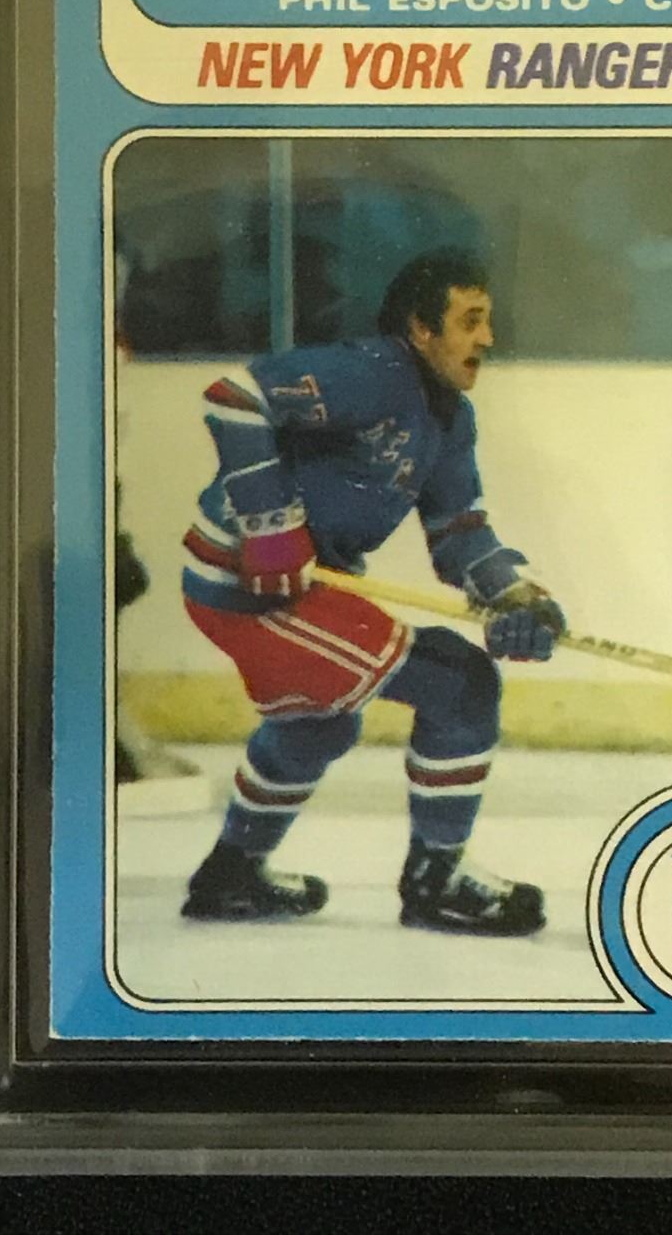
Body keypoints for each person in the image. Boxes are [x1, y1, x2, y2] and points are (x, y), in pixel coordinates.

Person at [179, 248, 566, 935]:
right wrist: (271, 525)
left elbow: (459, 534)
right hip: (248, 585)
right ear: (420, 328)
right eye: (470, 320)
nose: (487, 337)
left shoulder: (450, 420)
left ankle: (231, 873)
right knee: (460, 683)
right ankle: (437, 880)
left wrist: (514, 596)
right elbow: (235, 396)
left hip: (272, 592)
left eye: (488, 320)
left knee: (320, 725)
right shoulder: (372, 372)